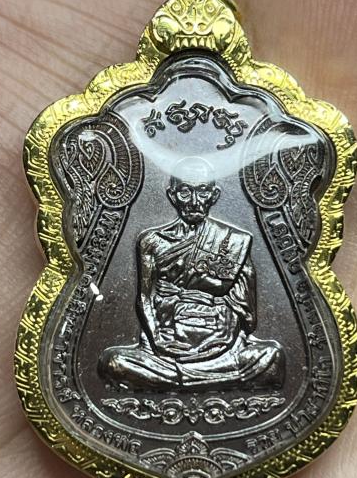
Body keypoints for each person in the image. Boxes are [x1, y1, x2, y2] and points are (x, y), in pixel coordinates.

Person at [99, 158, 285, 390]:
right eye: (185, 192)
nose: (195, 201)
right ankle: (210, 380)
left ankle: (181, 380)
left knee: (271, 356)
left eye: (203, 191)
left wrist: (218, 329)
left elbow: (246, 313)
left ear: (214, 196)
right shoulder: (152, 242)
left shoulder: (234, 241)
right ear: (172, 196)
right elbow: (145, 298)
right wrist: (158, 340)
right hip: (166, 347)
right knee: (114, 362)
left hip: (221, 345)